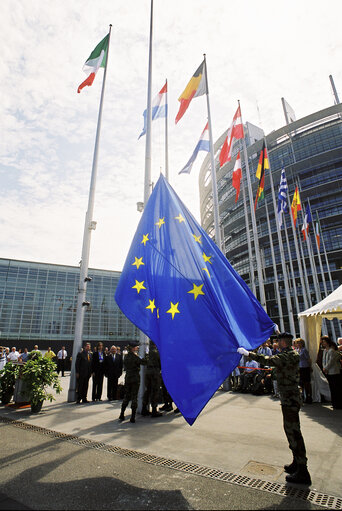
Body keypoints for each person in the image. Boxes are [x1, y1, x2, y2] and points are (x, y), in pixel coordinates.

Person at [238, 332, 311, 485]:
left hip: (290, 398)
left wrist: (249, 354)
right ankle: (296, 462)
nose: (277, 343)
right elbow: (279, 368)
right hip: (288, 397)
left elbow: (269, 360)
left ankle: (303, 470)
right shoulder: (287, 354)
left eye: (279, 341)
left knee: (294, 432)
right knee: (290, 431)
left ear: (284, 342)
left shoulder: (289, 355)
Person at [119, 343, 146, 423]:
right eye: (136, 347)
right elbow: (144, 362)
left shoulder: (126, 356)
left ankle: (122, 413)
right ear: (133, 348)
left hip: (128, 377)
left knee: (127, 396)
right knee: (134, 397)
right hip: (135, 378)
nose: (137, 348)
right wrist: (146, 354)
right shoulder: (135, 357)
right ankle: (133, 417)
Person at [141, 341, 162, 418]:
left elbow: (144, 361)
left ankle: (144, 408)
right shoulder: (157, 352)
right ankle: (154, 410)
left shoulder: (147, 353)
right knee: (155, 391)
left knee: (148, 390)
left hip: (148, 372)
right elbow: (161, 362)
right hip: (155, 372)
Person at [321, 336, 342, 409]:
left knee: (336, 388)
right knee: (332, 388)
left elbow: (331, 361)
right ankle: (334, 402)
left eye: (324, 341)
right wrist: (324, 367)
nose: (323, 343)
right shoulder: (325, 351)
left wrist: (326, 367)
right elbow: (324, 360)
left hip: (334, 371)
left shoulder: (331, 350)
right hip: (328, 371)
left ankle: (338, 403)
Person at [296, 338, 312, 404]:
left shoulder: (304, 350)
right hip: (300, 367)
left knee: (306, 383)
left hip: (305, 367)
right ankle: (302, 396)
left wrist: (310, 366)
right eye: (297, 343)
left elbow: (308, 359)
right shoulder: (297, 350)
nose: (298, 344)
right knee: (301, 383)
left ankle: (309, 397)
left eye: (299, 343)